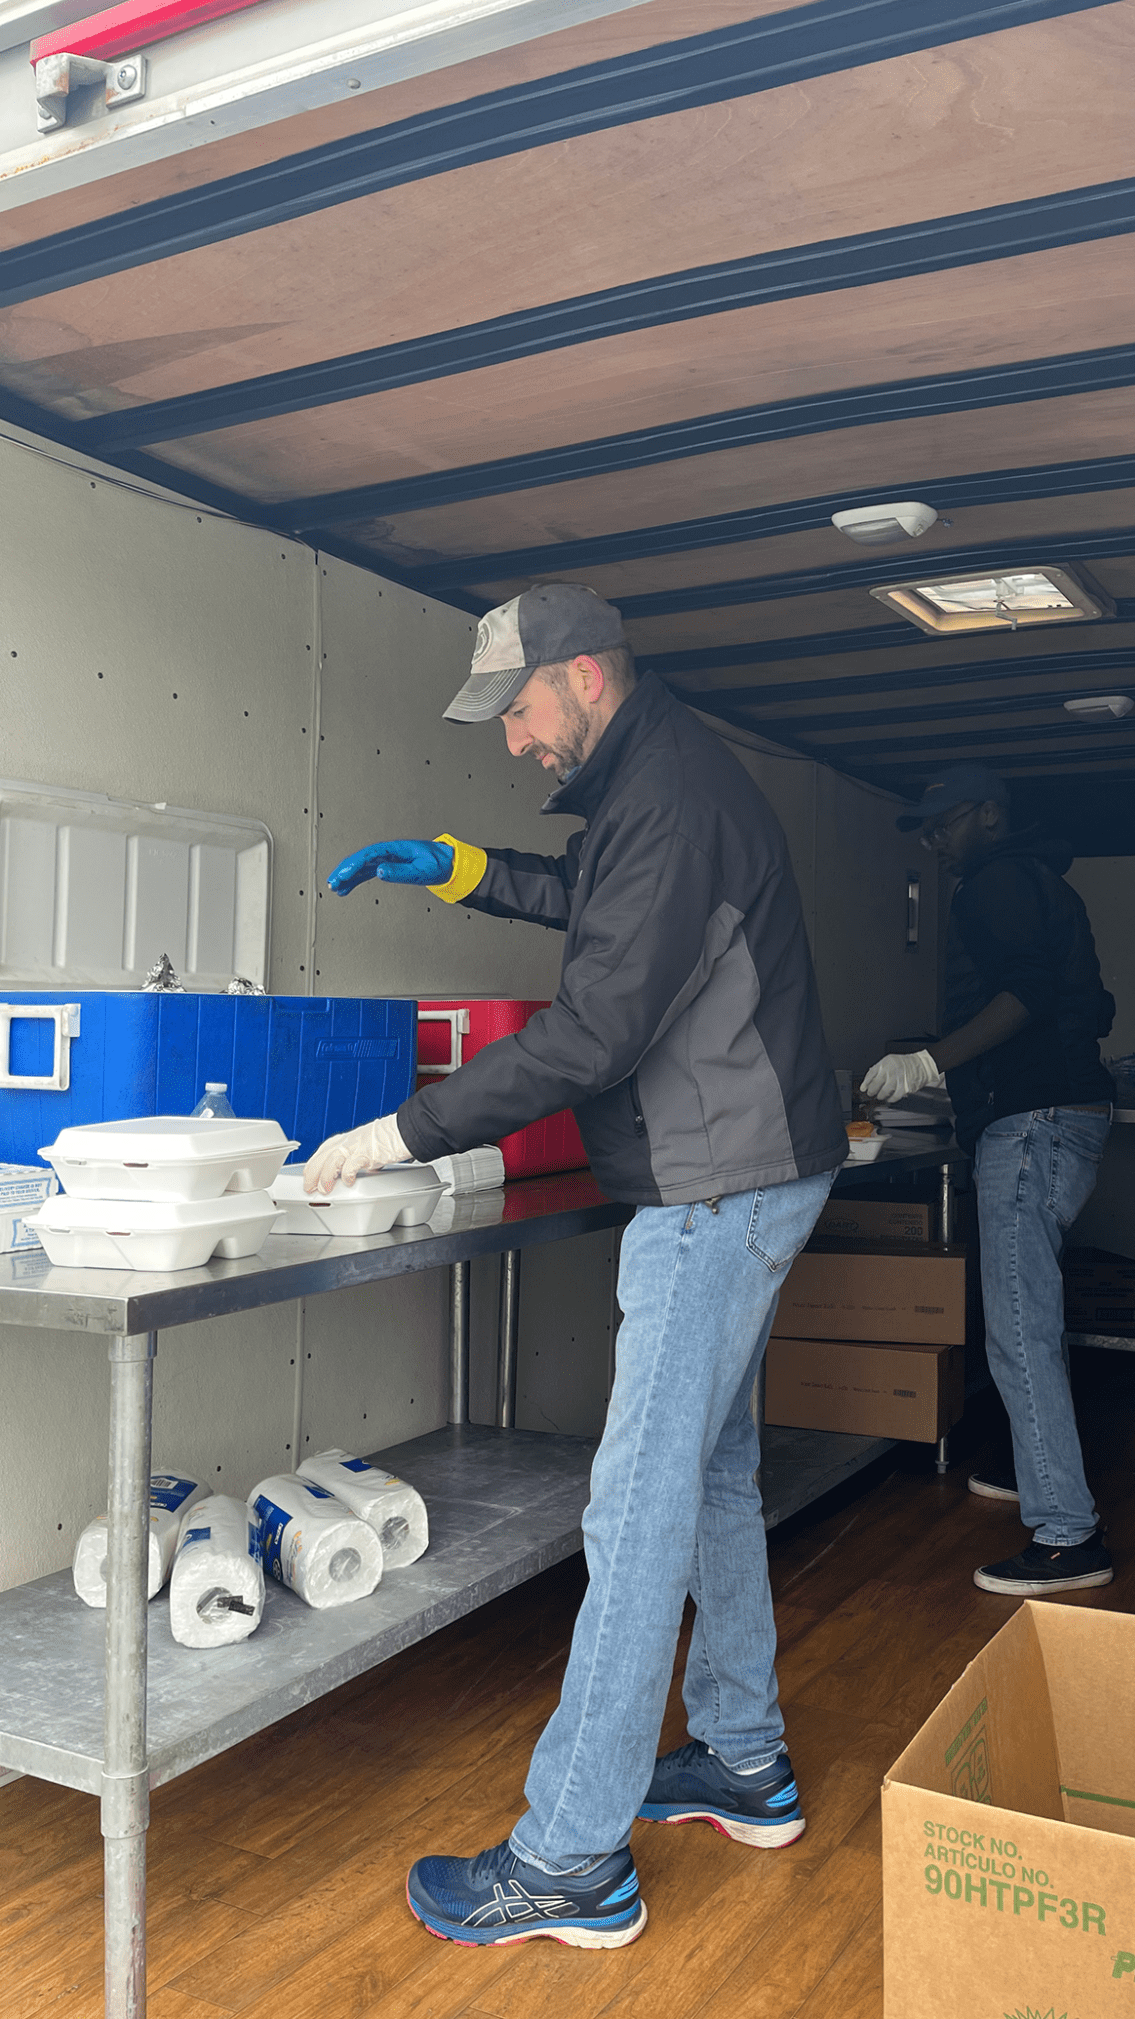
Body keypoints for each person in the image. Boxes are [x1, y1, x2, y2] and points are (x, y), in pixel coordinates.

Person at [304, 582, 847, 1949]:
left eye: (521, 708)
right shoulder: (651, 782)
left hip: (715, 1187)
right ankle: (741, 1759)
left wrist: (400, 1131)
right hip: (744, 1169)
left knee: (637, 1504)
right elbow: (604, 911)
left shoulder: (666, 800)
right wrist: (473, 870)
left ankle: (571, 1861)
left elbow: (596, 1030)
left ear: (587, 677)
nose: (512, 739)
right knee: (711, 1475)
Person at [861, 767, 1117, 1597]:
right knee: (1028, 1314)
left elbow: (1026, 997)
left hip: (1032, 1125)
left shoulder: (993, 884)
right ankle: (1032, 1471)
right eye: (925, 827)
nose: (934, 839)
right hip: (1066, 1116)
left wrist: (933, 1060)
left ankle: (1067, 1537)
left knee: (1018, 1327)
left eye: (946, 823)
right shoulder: (1044, 883)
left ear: (991, 817)